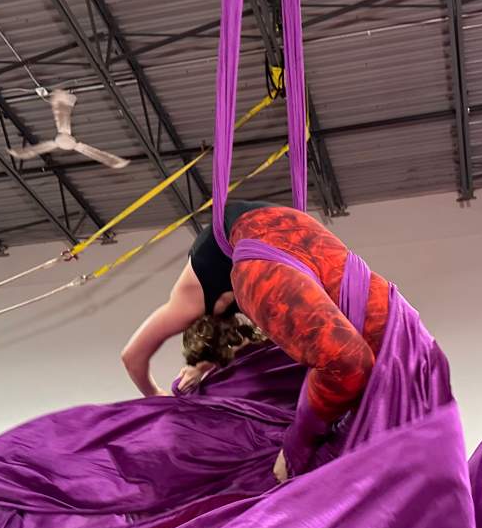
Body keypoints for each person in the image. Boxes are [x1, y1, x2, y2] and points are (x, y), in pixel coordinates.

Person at [122, 199, 391, 481]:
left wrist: (155, 395)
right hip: (296, 225)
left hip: (257, 228)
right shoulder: (239, 295)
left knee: (340, 358)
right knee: (342, 342)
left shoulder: (186, 303)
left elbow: (131, 357)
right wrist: (201, 367)